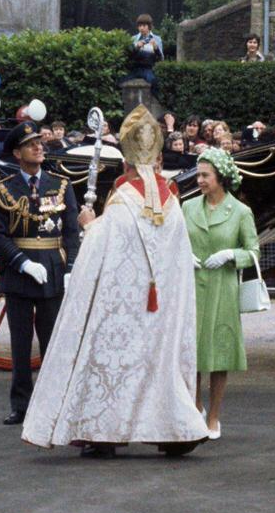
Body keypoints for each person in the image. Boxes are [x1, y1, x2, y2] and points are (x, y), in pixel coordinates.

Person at [22, 106, 209, 457]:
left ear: (125, 164)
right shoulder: (173, 205)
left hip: (122, 310)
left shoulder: (122, 202)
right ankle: (174, 430)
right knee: (160, 364)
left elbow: (99, 248)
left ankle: (104, 434)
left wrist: (89, 222)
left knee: (110, 365)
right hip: (162, 308)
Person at [0, 121, 82, 426]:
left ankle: (53, 401)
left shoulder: (60, 186)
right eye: (30, 144)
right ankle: (21, 404)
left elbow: (71, 231)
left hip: (53, 270)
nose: (38, 146)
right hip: (20, 272)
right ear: (17, 153)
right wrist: (22, 262)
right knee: (20, 344)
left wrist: (69, 268)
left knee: (52, 343)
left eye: (39, 142)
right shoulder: (5, 189)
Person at [183, 147, 258, 440]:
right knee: (191, 352)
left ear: (220, 177)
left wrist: (230, 254)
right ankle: (195, 405)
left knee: (219, 352)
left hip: (222, 288)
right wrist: (182, 255)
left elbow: (253, 252)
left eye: (205, 175)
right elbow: (174, 240)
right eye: (198, 174)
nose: (200, 180)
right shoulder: (187, 207)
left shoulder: (240, 212)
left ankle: (213, 416)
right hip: (191, 285)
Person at [127, 14, 165, 90]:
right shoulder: (133, 39)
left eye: (144, 26)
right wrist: (136, 47)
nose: (141, 28)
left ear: (149, 26)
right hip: (135, 68)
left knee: (153, 81)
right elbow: (128, 56)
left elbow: (161, 59)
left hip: (149, 69)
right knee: (122, 81)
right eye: (140, 26)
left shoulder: (157, 39)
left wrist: (156, 48)